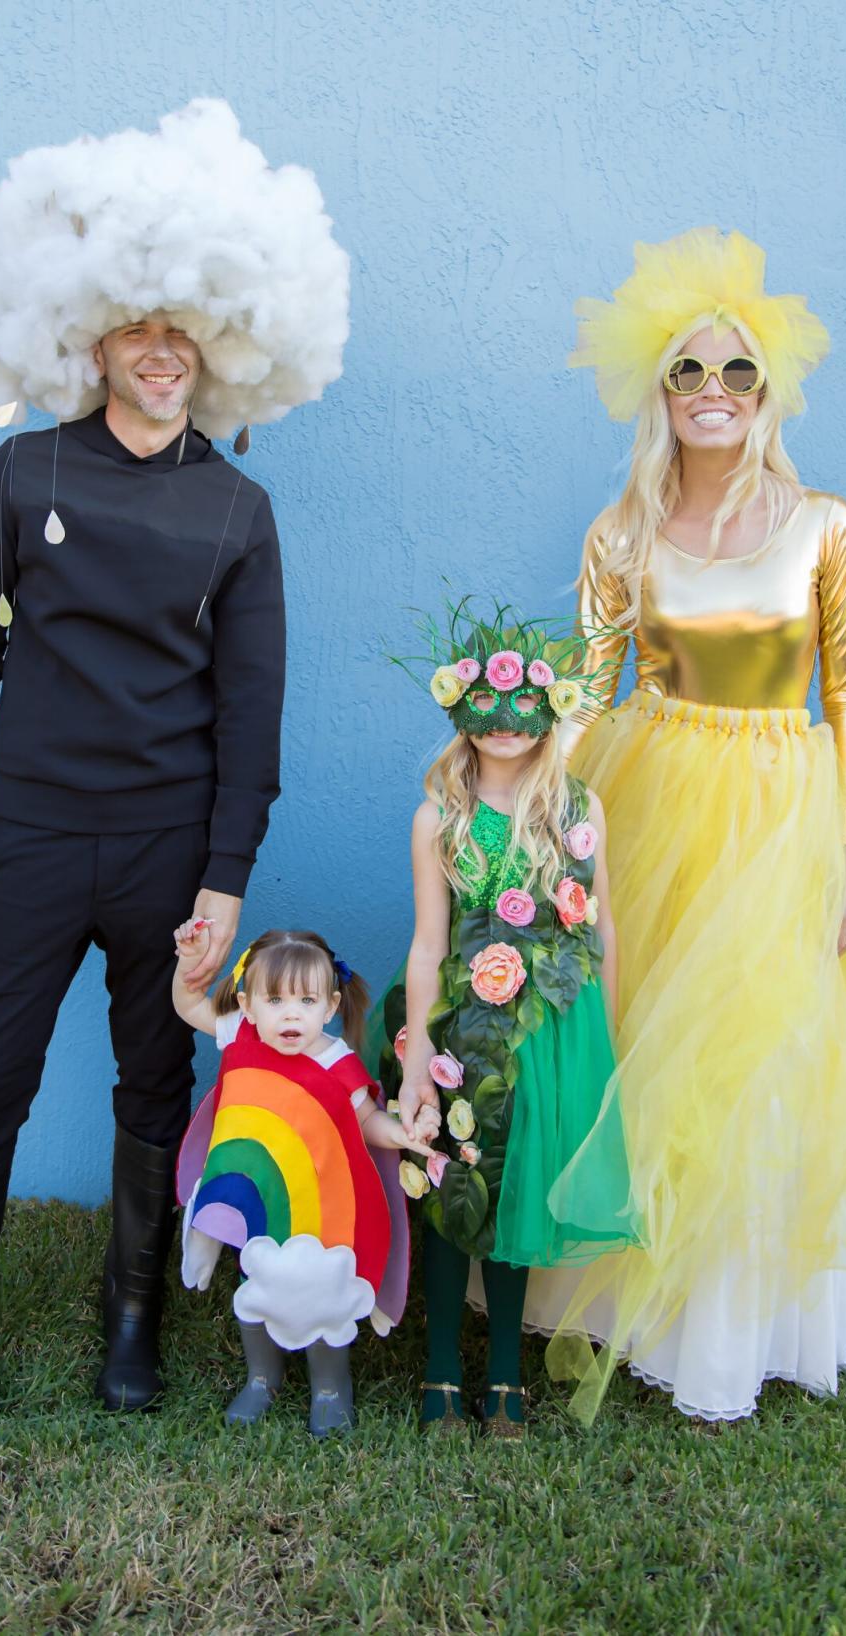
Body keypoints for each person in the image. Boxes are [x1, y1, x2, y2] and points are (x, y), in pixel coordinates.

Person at [0, 101, 349, 1422]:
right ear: (88, 336)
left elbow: (249, 709)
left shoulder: (239, 507)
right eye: (133, 328)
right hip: (31, 835)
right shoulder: (19, 473)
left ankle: (133, 1330)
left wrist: (223, 880)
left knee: (156, 1085)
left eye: (182, 331)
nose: (158, 352)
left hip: (168, 854)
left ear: (213, 346)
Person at [544, 227, 846, 1423]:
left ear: (768, 393)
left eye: (737, 373)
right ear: (659, 395)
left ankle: (750, 1313)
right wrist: (542, 809)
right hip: (654, 794)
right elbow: (589, 684)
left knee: (761, 1051)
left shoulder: (825, 525)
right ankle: (640, 1298)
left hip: (782, 811)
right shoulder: (624, 530)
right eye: (689, 372)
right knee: (651, 1034)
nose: (713, 393)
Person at [377, 601, 643, 1437]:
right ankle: (442, 1371)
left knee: (519, 1193)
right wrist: (418, 1055)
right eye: (484, 711)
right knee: (460, 1182)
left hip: (551, 1034)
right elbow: (427, 946)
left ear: (550, 709)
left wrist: (609, 1036)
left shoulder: (577, 811)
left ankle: (505, 1380)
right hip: (459, 1027)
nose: (502, 727)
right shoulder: (439, 820)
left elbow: (601, 927)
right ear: (461, 711)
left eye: (520, 709)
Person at [172, 926, 434, 1436]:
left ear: (330, 1005)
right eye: (275, 999)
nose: (291, 1014)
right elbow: (188, 1004)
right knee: (257, 1287)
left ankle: (330, 1387)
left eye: (307, 1000)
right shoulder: (239, 1033)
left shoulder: (337, 1061)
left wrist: (403, 1133)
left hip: (323, 1211)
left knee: (324, 1297)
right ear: (247, 1005)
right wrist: (189, 963)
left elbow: (367, 1123)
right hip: (260, 1205)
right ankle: (261, 1378)